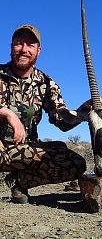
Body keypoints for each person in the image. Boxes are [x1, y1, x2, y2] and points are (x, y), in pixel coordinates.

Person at [0, 24, 87, 204]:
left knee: (75, 162)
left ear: (39, 50)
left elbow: (62, 122)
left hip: (25, 150)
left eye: (30, 45)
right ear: (11, 47)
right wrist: (7, 113)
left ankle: (19, 182)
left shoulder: (46, 84)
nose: (23, 49)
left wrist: (83, 110)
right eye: (18, 44)